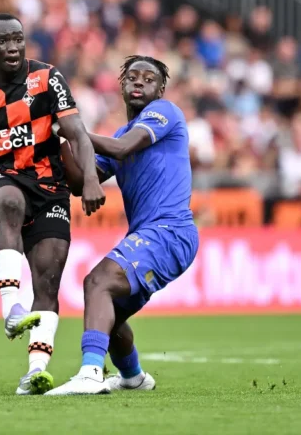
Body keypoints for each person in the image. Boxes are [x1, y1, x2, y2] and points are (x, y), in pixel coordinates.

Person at [0, 14, 105, 395]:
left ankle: (35, 372)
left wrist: (91, 178)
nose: (12, 47)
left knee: (47, 282)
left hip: (50, 187)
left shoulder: (47, 78)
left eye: (18, 39)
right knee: (10, 204)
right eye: (2, 41)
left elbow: (77, 133)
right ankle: (11, 307)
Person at [46, 55, 199, 395]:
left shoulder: (165, 113)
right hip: (155, 234)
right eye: (132, 77)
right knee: (108, 312)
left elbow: (122, 148)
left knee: (97, 281)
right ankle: (133, 377)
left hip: (169, 230)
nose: (139, 81)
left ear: (161, 89)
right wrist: (56, 140)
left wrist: (71, 129)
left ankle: (90, 373)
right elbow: (80, 182)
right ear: (122, 85)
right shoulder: (120, 133)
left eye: (148, 78)